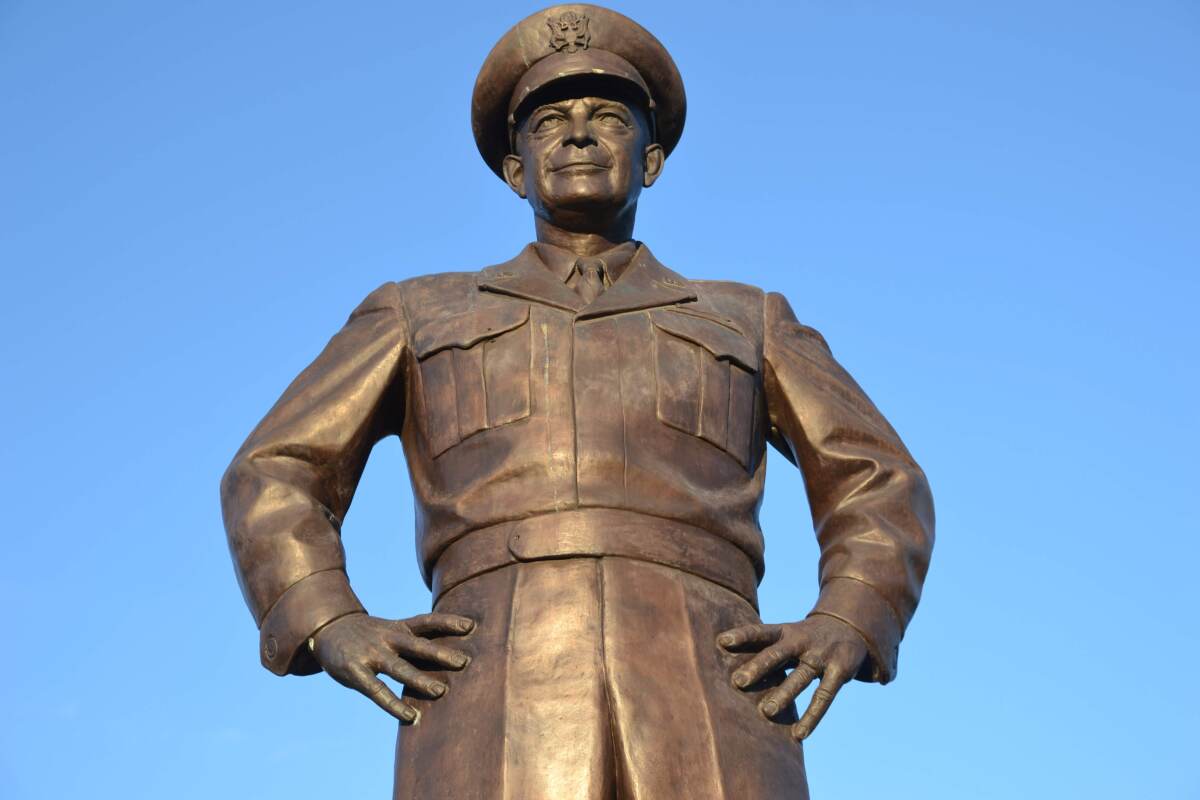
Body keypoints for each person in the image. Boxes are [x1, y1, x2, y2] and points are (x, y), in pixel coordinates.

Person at [221, 5, 934, 798]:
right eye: (551, 121)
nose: (580, 135)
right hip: (490, 672)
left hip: (711, 673)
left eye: (608, 118)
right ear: (516, 170)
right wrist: (325, 614)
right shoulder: (418, 312)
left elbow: (877, 477)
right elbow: (276, 467)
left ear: (651, 159)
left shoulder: (745, 317)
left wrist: (852, 613)